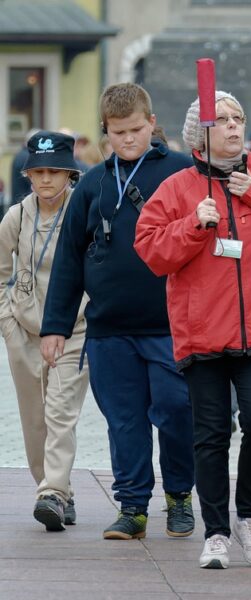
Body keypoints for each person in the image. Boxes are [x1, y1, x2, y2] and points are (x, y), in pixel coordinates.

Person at [135, 90, 251, 569]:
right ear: (201, 133)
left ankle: (250, 517)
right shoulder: (177, 187)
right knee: (211, 434)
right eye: (223, 121)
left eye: (239, 118)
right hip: (202, 333)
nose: (235, 127)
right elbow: (152, 252)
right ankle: (216, 531)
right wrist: (194, 226)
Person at [40, 83, 195, 541]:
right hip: (107, 329)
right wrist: (56, 327)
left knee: (175, 410)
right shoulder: (92, 182)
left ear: (152, 123)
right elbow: (68, 260)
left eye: (135, 130)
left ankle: (180, 497)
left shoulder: (182, 173)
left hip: (169, 326)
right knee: (124, 422)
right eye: (117, 133)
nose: (127, 140)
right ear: (104, 131)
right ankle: (132, 507)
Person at [0, 131, 89, 531]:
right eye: (39, 171)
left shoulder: (82, 211)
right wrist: (6, 321)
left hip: (75, 329)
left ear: (70, 174)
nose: (47, 179)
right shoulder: (16, 216)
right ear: (28, 175)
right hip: (25, 330)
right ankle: (56, 491)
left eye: (55, 171)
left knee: (61, 411)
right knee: (34, 418)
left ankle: (51, 491)